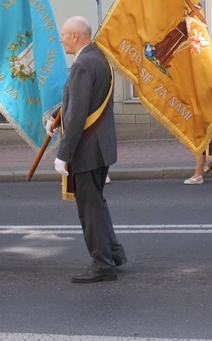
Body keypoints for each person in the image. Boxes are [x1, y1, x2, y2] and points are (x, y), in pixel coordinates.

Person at [48, 16, 125, 283]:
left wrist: (63, 153)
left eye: (64, 35)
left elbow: (78, 114)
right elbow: (80, 99)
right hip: (101, 146)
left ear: (76, 37)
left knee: (89, 210)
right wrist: (55, 116)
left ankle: (102, 265)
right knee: (97, 205)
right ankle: (114, 254)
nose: (61, 39)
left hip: (88, 149)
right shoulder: (98, 58)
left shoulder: (82, 64)